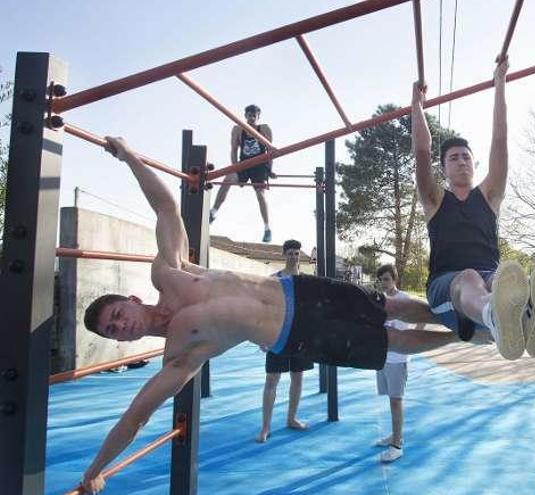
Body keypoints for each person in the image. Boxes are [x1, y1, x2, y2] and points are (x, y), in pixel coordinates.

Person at [77, 136, 458, 493]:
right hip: (295, 333)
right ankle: (464, 334)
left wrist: (129, 156)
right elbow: (135, 417)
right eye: (113, 331)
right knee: (388, 340)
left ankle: (452, 316)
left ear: (129, 298)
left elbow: (165, 207)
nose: (120, 326)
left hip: (299, 290)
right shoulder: (179, 355)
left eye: (116, 314)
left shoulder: (168, 272)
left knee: (387, 305)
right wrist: (94, 471)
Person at [411, 58, 535, 361]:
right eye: (453, 158)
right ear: (443, 169)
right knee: (470, 277)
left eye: (466, 157)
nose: (461, 161)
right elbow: (420, 151)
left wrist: (500, 84)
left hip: (488, 276)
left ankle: (528, 319)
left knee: (506, 277)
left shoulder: (489, 195)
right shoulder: (434, 200)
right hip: (448, 288)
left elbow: (499, 139)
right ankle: (494, 314)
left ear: (474, 163)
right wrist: (416, 104)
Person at [256, 239, 313, 443]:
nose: (293, 256)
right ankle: (265, 427)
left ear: (300, 255)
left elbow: (311, 312)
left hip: (299, 337)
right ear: (284, 255)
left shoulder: (307, 281)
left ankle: (291, 418)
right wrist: (262, 337)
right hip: (277, 336)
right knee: (272, 379)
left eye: (297, 253)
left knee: (297, 378)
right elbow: (263, 309)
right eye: (290, 253)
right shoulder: (274, 280)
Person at [372, 264, 421, 463]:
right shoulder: (380, 300)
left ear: (394, 278)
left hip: (398, 359)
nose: (383, 283)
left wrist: (415, 338)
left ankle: (397, 445)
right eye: (381, 279)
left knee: (396, 400)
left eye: (386, 279)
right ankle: (394, 434)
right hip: (383, 357)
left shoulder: (405, 299)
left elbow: (422, 318)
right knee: (390, 399)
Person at [209, 104, 275, 243]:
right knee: (227, 179)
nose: (251, 118)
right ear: (245, 116)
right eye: (249, 115)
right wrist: (234, 168)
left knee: (260, 195)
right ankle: (213, 212)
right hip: (244, 164)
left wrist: (269, 170)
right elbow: (233, 150)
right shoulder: (238, 129)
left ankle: (267, 228)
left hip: (259, 165)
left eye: (254, 116)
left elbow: (270, 151)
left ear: (257, 117)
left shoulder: (264, 128)